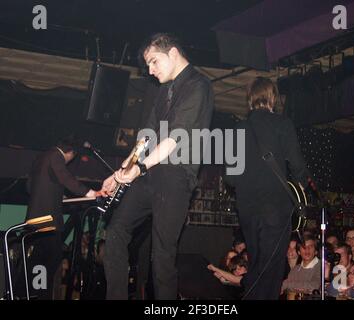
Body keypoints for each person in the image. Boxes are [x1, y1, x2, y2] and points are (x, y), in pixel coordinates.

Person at [101, 33, 214, 300]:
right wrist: (120, 173)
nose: (150, 71)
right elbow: (147, 136)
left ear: (172, 53)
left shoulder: (198, 85)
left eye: (153, 62)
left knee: (162, 253)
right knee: (116, 230)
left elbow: (176, 138)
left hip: (175, 177)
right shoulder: (164, 89)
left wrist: (138, 169)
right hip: (151, 173)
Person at [225, 77, 310, 300]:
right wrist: (298, 187)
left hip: (247, 210)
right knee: (271, 270)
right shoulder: (283, 124)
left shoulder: (237, 129)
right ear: (273, 97)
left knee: (257, 263)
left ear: (250, 99)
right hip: (275, 207)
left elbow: (230, 178)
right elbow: (299, 167)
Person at [25, 136, 98, 299]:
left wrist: (59, 196)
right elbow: (66, 178)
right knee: (52, 257)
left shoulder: (41, 157)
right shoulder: (56, 156)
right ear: (70, 153)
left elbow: (31, 187)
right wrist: (90, 192)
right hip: (46, 219)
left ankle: (26, 291)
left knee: (40, 257)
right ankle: (38, 292)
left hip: (35, 218)